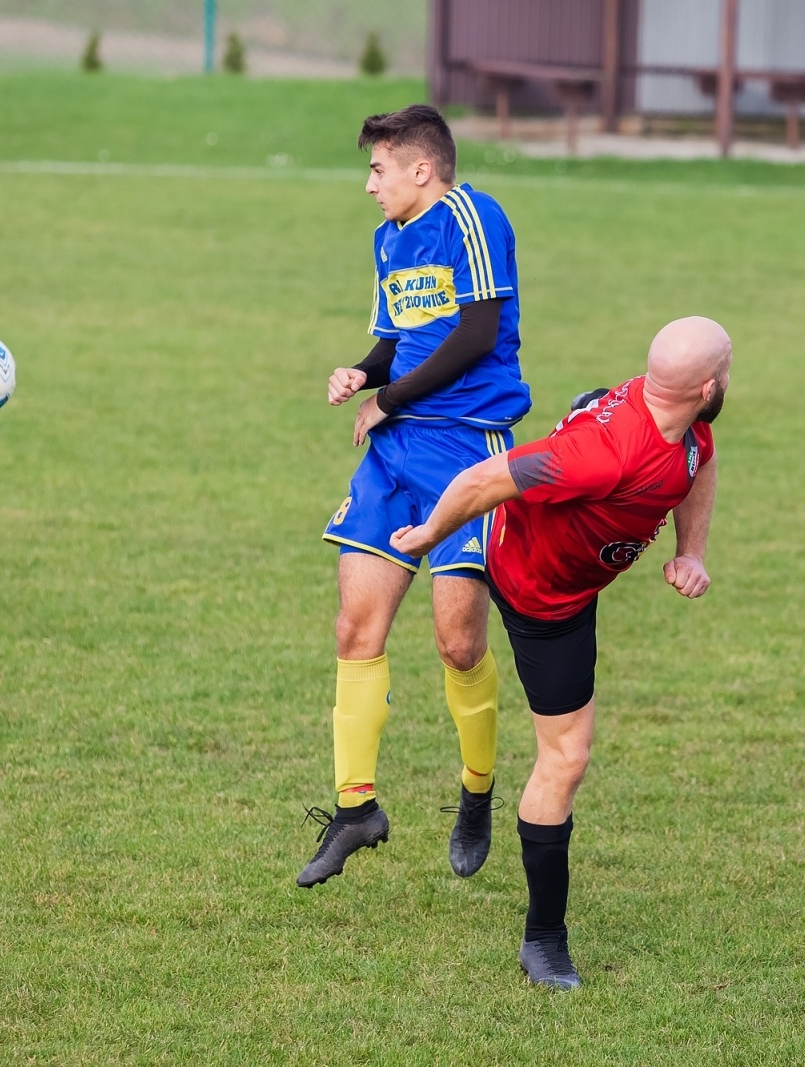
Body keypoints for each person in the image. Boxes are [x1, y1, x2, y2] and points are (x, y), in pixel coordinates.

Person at [389, 316, 732, 989]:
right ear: (711, 384)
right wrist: (426, 534)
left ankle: (534, 922)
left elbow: (701, 459)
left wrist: (690, 551)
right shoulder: (603, 455)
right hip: (533, 588)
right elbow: (483, 480)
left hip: (566, 592)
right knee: (490, 679)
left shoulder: (684, 425)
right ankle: (522, 890)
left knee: (553, 748)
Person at [298, 104, 532, 889]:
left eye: (378, 169)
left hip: (469, 449)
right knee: (354, 623)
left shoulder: (472, 215)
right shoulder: (388, 239)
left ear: (420, 170)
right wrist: (364, 373)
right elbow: (399, 335)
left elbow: (475, 332)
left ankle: (476, 791)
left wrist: (390, 398)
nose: (370, 186)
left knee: (458, 642)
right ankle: (356, 806)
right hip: (394, 455)